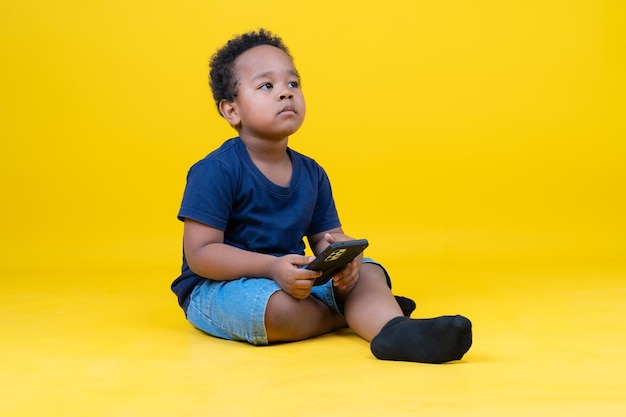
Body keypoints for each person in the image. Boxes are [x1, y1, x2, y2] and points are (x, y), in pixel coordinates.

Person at [171, 28, 472, 363]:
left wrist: (343, 260)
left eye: (292, 84)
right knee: (273, 308)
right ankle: (349, 316)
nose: (285, 94)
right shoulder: (216, 170)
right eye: (267, 86)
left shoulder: (312, 172)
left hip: (295, 277)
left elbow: (325, 237)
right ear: (231, 111)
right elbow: (201, 254)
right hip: (220, 289)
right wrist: (272, 268)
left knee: (370, 272)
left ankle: (394, 331)